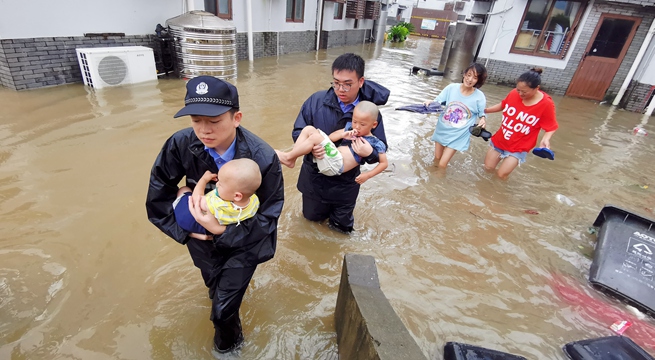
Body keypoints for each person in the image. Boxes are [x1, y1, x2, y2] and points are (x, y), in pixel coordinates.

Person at [145, 76, 284, 354]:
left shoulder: (263, 157)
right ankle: (225, 300)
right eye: (196, 120)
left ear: (237, 118)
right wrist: (187, 231)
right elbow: (157, 196)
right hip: (200, 240)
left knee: (221, 312)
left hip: (246, 242)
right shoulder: (180, 144)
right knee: (213, 287)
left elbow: (268, 215)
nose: (204, 130)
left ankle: (229, 349)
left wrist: (221, 232)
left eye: (214, 121)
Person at [291, 53, 390, 234]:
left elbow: (380, 148)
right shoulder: (315, 101)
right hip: (315, 180)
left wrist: (369, 153)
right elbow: (298, 132)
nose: (340, 89)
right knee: (311, 225)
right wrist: (312, 150)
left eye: (347, 84)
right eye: (336, 83)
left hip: (346, 185)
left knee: (341, 231)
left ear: (361, 82)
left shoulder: (369, 112)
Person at [277, 101, 387, 183]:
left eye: (362, 124)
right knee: (309, 129)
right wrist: (343, 134)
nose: (357, 127)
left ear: (374, 125)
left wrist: (368, 175)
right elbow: (330, 138)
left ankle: (287, 157)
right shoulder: (349, 129)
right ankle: (292, 159)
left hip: (337, 165)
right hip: (331, 156)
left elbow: (384, 163)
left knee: (315, 137)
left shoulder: (376, 143)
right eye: (354, 121)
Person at [483, 68, 558, 179]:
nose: (520, 93)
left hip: (519, 146)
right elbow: (503, 105)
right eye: (518, 90)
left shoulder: (546, 104)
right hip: (500, 140)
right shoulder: (514, 93)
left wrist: (546, 139)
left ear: (537, 88)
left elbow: (551, 126)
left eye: (524, 92)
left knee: (501, 175)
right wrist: (485, 110)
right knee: (487, 169)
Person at [173, 159, 262, 235]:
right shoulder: (254, 200)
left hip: (194, 221)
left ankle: (176, 209)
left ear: (237, 196)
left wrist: (203, 180)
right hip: (224, 227)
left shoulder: (217, 205)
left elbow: (196, 200)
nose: (217, 184)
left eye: (221, 184)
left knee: (184, 190)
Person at [424, 63, 487, 168]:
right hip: (442, 129)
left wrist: (483, 120)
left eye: (475, 77)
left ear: (478, 81)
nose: (470, 79)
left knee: (442, 164)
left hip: (459, 134)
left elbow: (482, 114)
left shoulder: (479, 97)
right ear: (464, 74)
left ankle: (439, 183)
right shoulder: (451, 88)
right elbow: (438, 101)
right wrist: (430, 102)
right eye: (469, 75)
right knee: (437, 159)